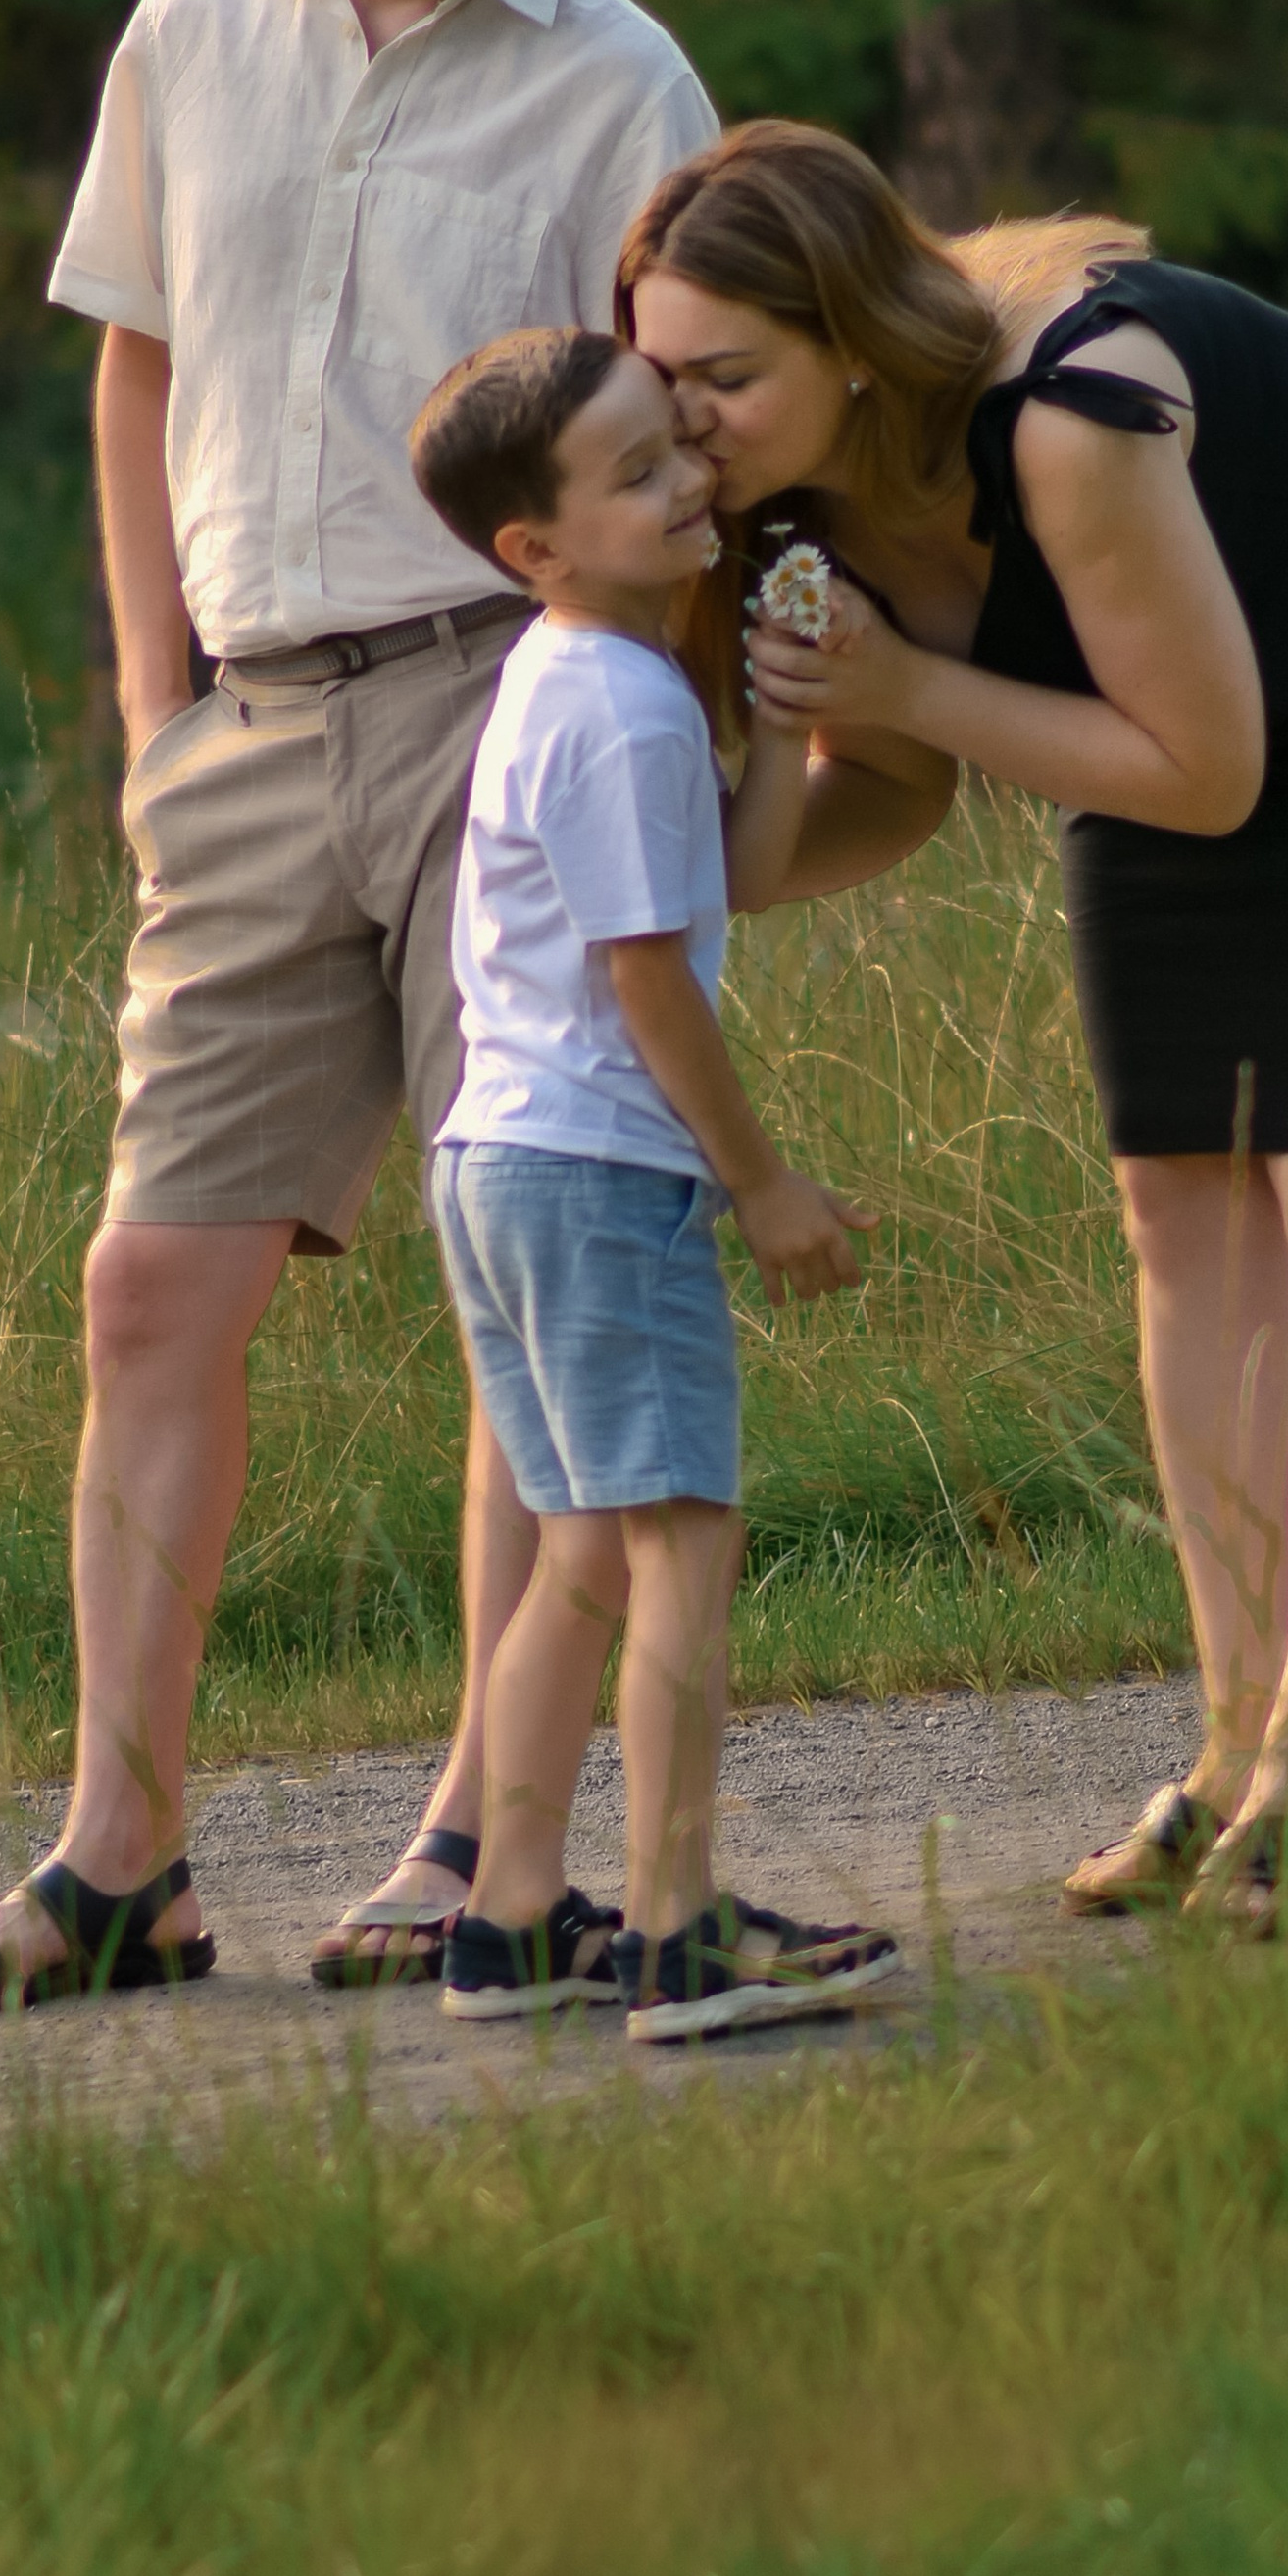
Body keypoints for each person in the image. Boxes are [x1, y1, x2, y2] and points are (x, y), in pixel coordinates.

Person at [0, 0, 718, 2023]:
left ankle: (473, 1832)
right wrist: (153, 709)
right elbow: (136, 367)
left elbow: (683, 446)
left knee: (515, 1266)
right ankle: (117, 1856)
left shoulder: (620, 78)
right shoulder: (188, 22)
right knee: (150, 1284)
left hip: (508, 710)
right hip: (241, 730)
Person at [623, 123, 1288, 1932]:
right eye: (659, 374)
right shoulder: (786, 502)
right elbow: (895, 785)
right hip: (1169, 707)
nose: (683, 422)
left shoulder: (1073, 415)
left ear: (855, 345)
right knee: (1178, 1201)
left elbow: (1204, 773)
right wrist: (697, 858)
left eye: (726, 378)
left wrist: (909, 679)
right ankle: (1231, 1750)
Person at [406, 324, 902, 2038]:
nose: (692, 478)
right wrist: (760, 1181)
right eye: (636, 473)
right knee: (686, 1532)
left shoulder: (584, 672)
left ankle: (509, 1914)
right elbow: (648, 977)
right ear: (533, 545)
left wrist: (784, 729)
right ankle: (681, 1926)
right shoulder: (617, 706)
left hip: (499, 1160)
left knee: (582, 1550)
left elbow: (722, 890)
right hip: (601, 1169)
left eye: (678, 444)